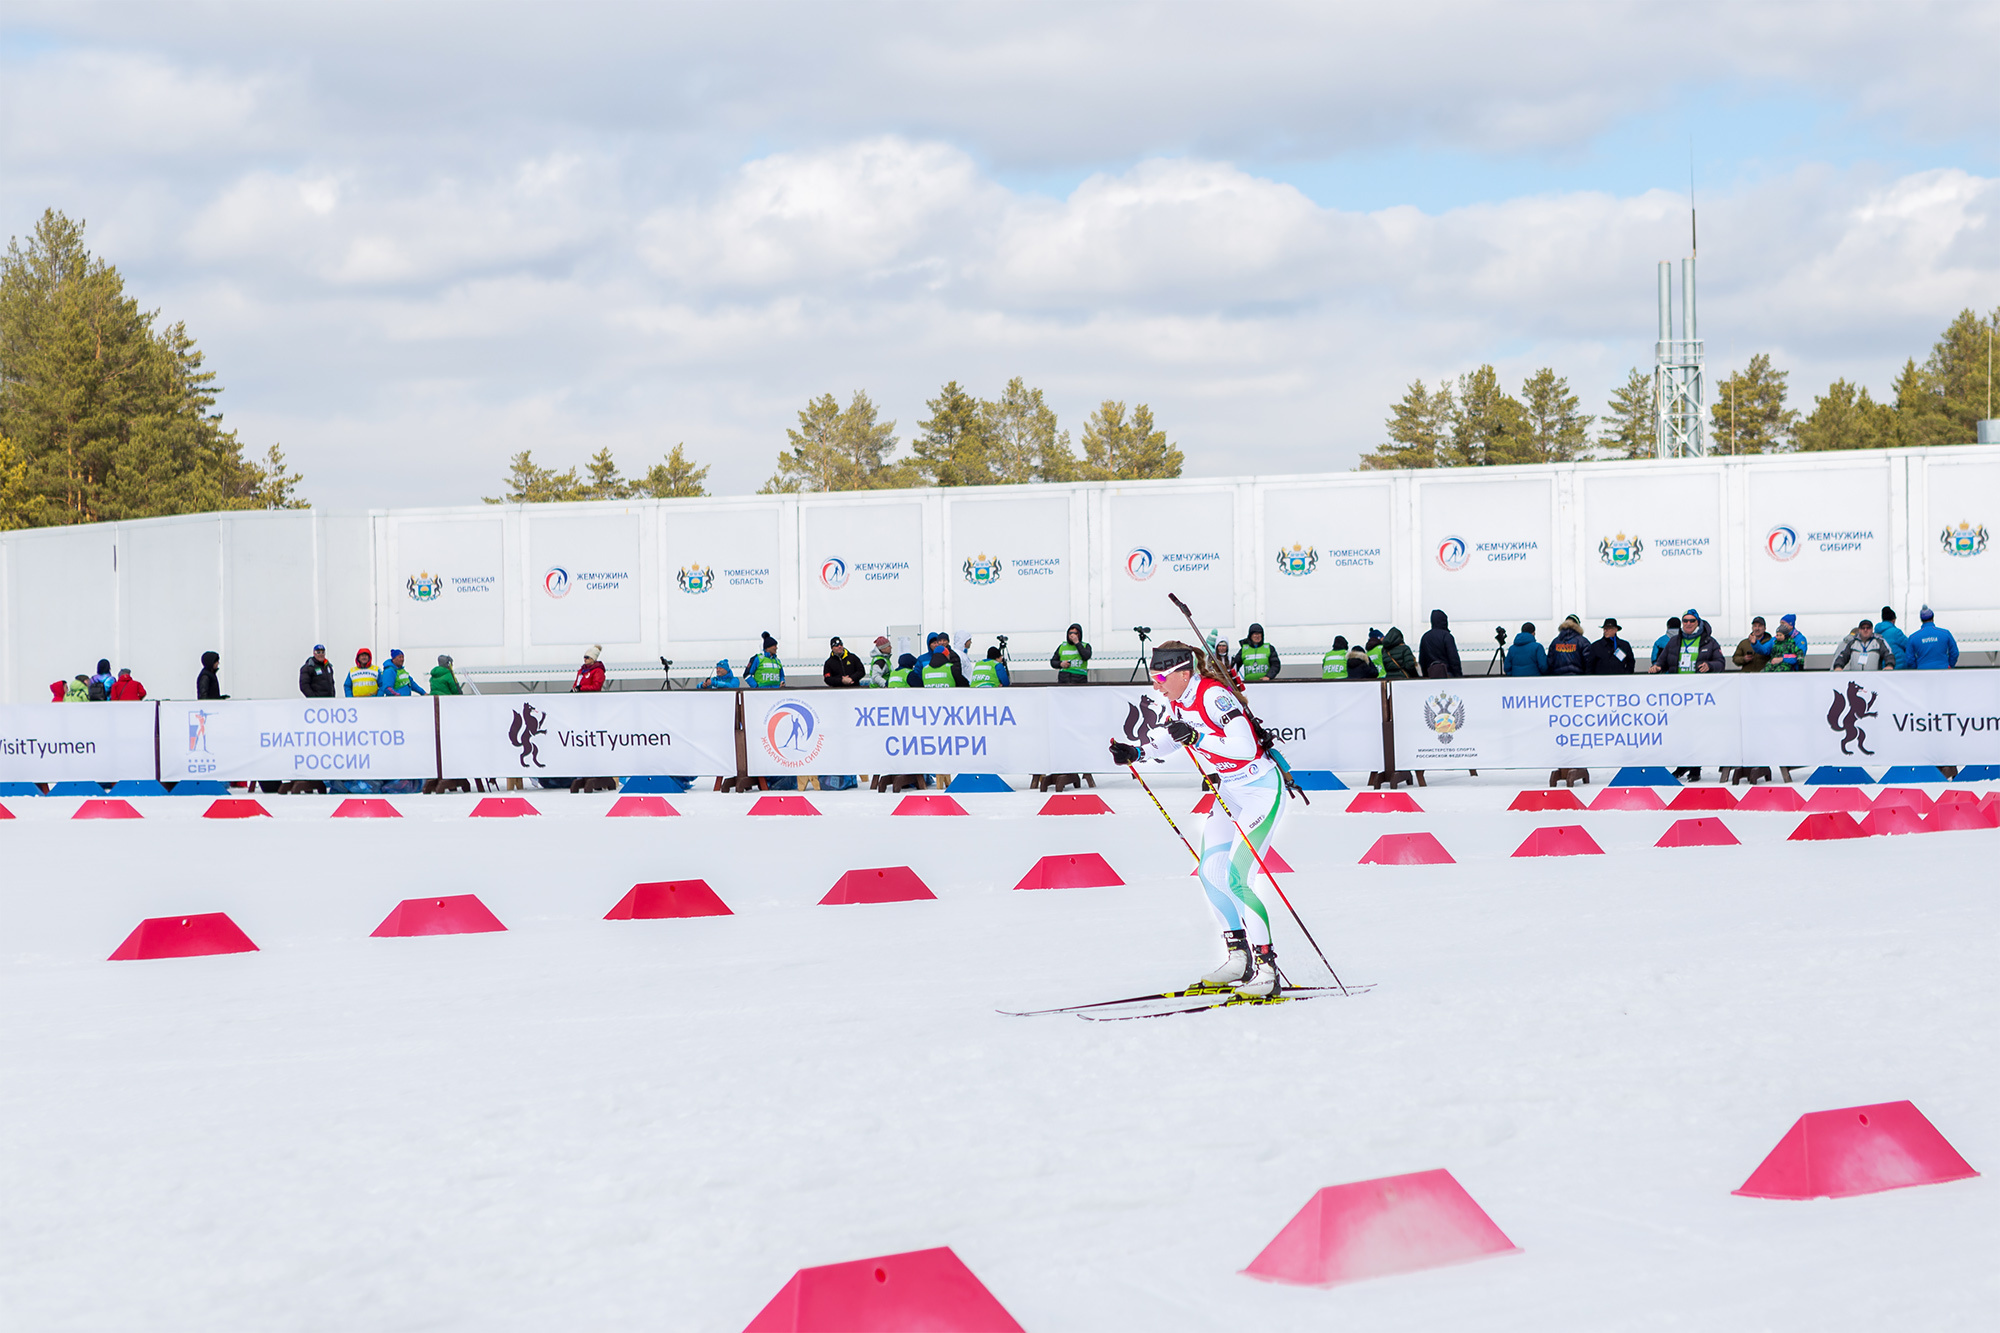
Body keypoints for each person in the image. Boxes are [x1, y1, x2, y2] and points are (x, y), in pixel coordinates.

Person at [1109, 640, 1287, 999]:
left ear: (1183, 672)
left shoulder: (1213, 696)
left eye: (1160, 676)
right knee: (1210, 873)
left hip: (1259, 790)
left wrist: (1199, 736)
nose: (1155, 684)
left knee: (1238, 878)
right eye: (1152, 676)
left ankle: (1267, 968)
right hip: (1229, 792)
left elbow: (1245, 747)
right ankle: (1240, 958)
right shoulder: (1177, 699)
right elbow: (1175, 739)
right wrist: (1139, 752)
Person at [1650, 610, 1724, 674]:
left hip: (1701, 685)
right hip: (1677, 685)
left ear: (1697, 622)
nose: (1688, 623)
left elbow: (1720, 663)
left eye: (1692, 621)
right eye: (1685, 621)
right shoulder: (1673, 641)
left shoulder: (1709, 642)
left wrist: (1709, 666)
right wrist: (1657, 667)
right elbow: (1662, 662)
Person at [1417, 610, 1463, 678]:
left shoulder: (1425, 637)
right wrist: (1458, 676)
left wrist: (1426, 675)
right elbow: (1454, 660)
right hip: (1447, 675)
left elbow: (1422, 660)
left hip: (1431, 675)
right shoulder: (1447, 636)